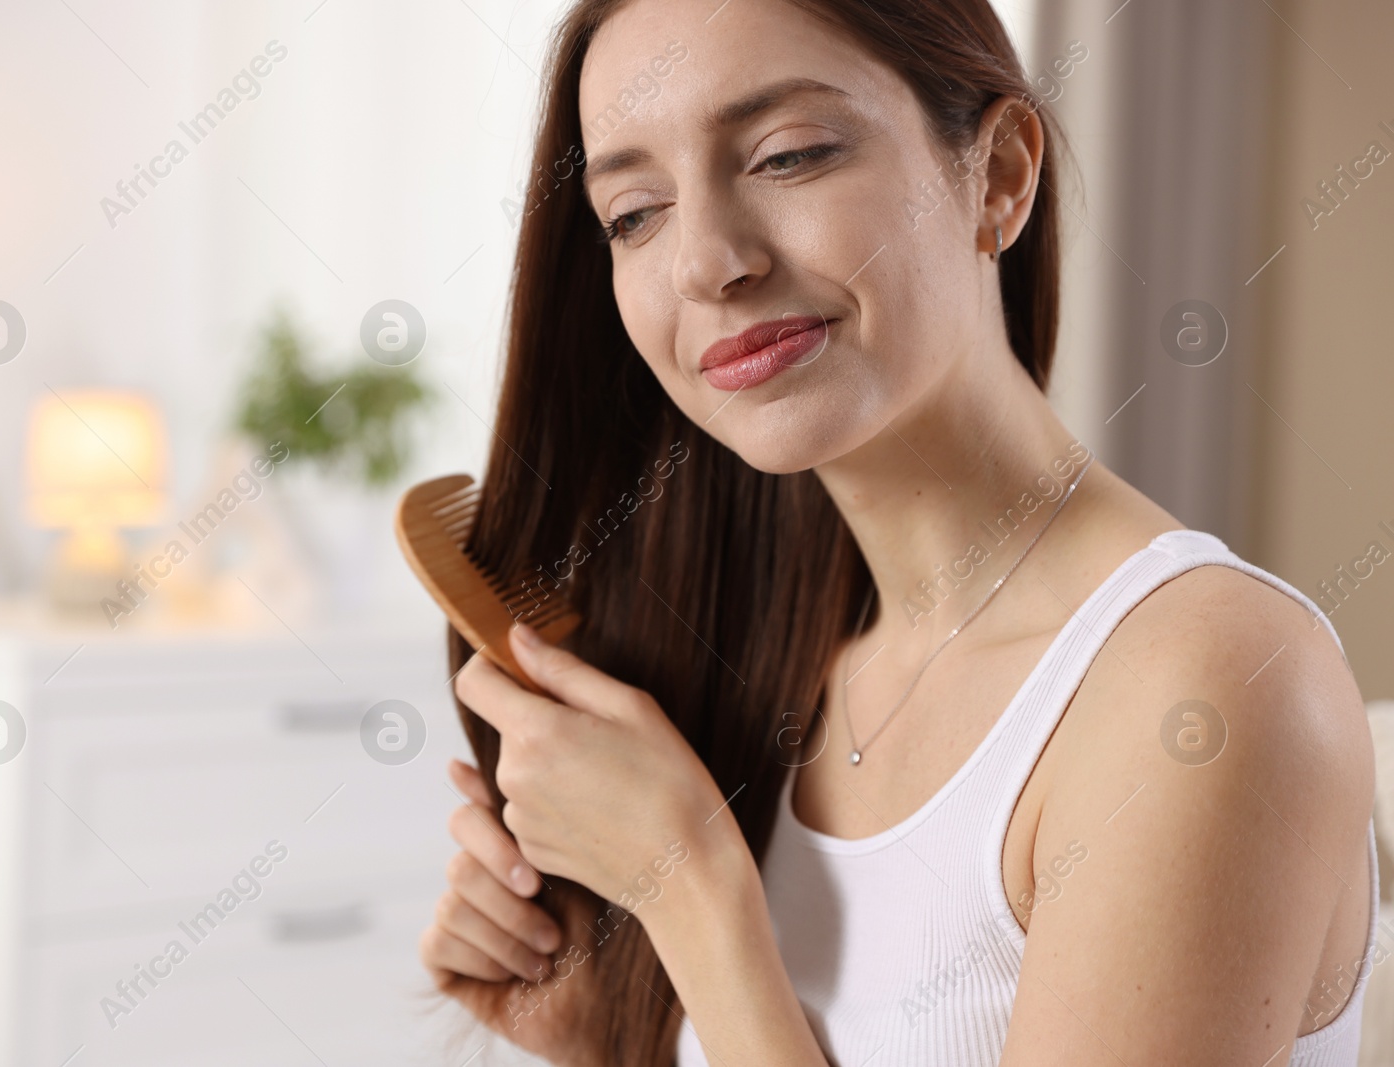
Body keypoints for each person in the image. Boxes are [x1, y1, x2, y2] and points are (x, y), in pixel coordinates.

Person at [417, 0, 1381, 1064]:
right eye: (634, 212)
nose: (707, 262)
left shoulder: (1205, 684)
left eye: (789, 155)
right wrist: (605, 1033)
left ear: (1001, 173)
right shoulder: (782, 671)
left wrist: (686, 887)